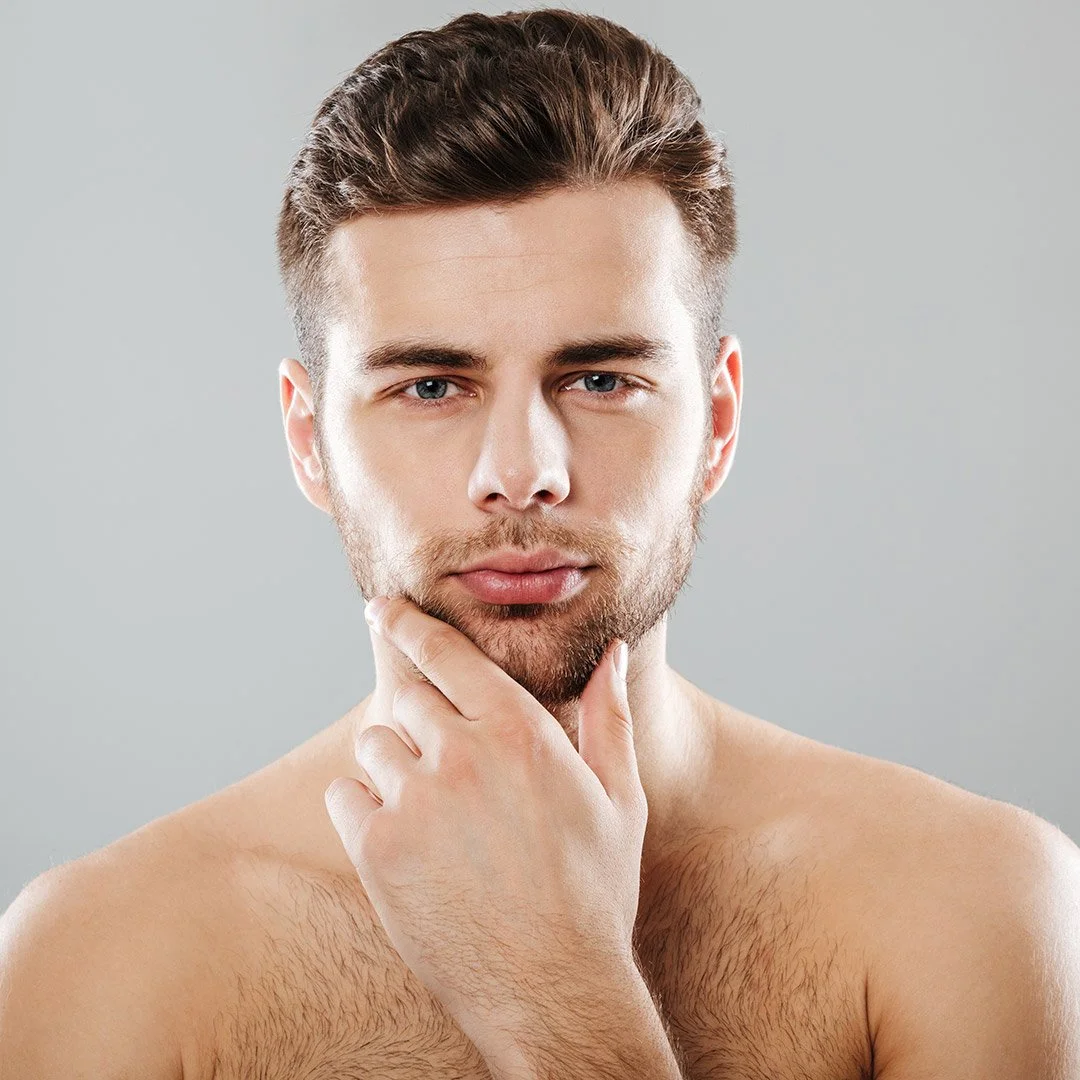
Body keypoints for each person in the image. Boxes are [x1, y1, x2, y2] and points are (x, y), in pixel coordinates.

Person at [2, 8, 1078, 1079]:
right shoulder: (104, 958)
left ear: (719, 421)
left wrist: (558, 994)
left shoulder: (974, 909)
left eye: (601, 379)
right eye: (430, 385)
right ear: (308, 441)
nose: (521, 471)